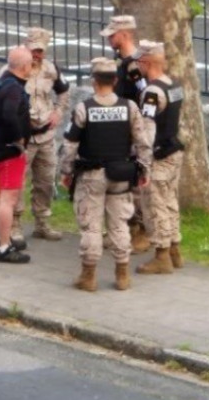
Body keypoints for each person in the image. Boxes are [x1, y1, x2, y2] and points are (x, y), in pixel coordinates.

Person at [59, 57, 151, 292]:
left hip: (91, 176)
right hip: (121, 174)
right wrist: (144, 169)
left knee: (91, 226)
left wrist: (66, 171)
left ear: (94, 81)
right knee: (119, 225)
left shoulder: (84, 109)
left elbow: (70, 145)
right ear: (115, 81)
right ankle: (122, 275)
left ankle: (88, 276)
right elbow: (142, 142)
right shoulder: (130, 108)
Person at [5, 27, 70, 244]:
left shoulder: (51, 69)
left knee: (45, 181)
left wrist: (58, 112)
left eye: (40, 51)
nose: (36, 55)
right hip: (22, 138)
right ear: (26, 47)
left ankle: (42, 223)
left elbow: (63, 91)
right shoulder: (13, 70)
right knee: (17, 183)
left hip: (46, 136)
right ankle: (14, 224)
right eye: (33, 50)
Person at [100, 14, 152, 254]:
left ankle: (140, 231)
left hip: (132, 131)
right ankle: (122, 229)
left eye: (113, 35)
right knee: (119, 183)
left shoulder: (133, 66)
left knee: (135, 183)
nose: (109, 39)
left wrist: (139, 129)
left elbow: (145, 97)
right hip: (119, 129)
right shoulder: (121, 62)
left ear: (124, 34)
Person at [134, 40, 186, 275]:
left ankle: (162, 256)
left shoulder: (152, 92)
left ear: (146, 62)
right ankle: (175, 250)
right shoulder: (174, 85)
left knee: (155, 205)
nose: (137, 66)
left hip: (158, 156)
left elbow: (147, 129)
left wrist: (142, 161)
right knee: (170, 202)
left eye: (139, 61)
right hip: (174, 151)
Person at [0, 46, 34, 264]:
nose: (31, 67)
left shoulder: (2, 82)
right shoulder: (14, 88)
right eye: (30, 64)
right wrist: (19, 139)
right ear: (24, 67)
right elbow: (9, 114)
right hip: (9, 150)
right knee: (9, 198)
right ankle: (4, 247)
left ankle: (1, 237)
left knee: (1, 195)